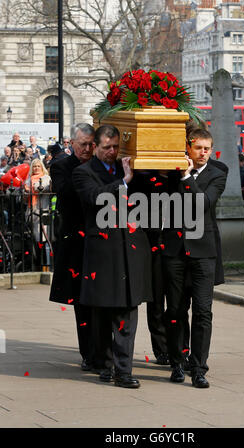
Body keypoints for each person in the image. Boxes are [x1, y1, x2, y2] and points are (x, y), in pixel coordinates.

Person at [72, 124, 152, 389]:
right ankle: (105, 365)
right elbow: (94, 198)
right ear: (94, 147)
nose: (112, 152)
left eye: (116, 146)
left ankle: (124, 371)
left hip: (130, 251)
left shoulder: (127, 167)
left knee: (127, 311)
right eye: (106, 147)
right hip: (103, 255)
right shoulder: (83, 172)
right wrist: (123, 182)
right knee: (102, 313)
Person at [161, 128, 227, 388]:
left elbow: (203, 203)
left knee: (203, 312)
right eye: (198, 147)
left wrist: (187, 177)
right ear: (188, 148)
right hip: (175, 252)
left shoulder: (217, 174)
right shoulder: (171, 173)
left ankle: (199, 368)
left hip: (203, 253)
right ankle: (177, 362)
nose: (203, 153)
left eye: (207, 148)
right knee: (175, 311)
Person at [49, 123, 98, 373]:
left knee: (100, 299)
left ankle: (102, 350)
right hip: (75, 240)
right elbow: (66, 193)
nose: (88, 149)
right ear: (72, 144)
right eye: (83, 145)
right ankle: (88, 353)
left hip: (100, 238)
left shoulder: (99, 166)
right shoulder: (60, 166)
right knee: (81, 299)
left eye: (92, 144)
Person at [24, 158, 51, 242]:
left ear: (42, 167)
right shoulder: (29, 179)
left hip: (43, 209)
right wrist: (25, 191)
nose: (36, 168)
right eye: (34, 166)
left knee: (44, 236)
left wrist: (32, 187)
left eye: (38, 166)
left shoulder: (46, 177)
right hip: (31, 210)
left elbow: (42, 188)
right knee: (33, 237)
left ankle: (45, 253)